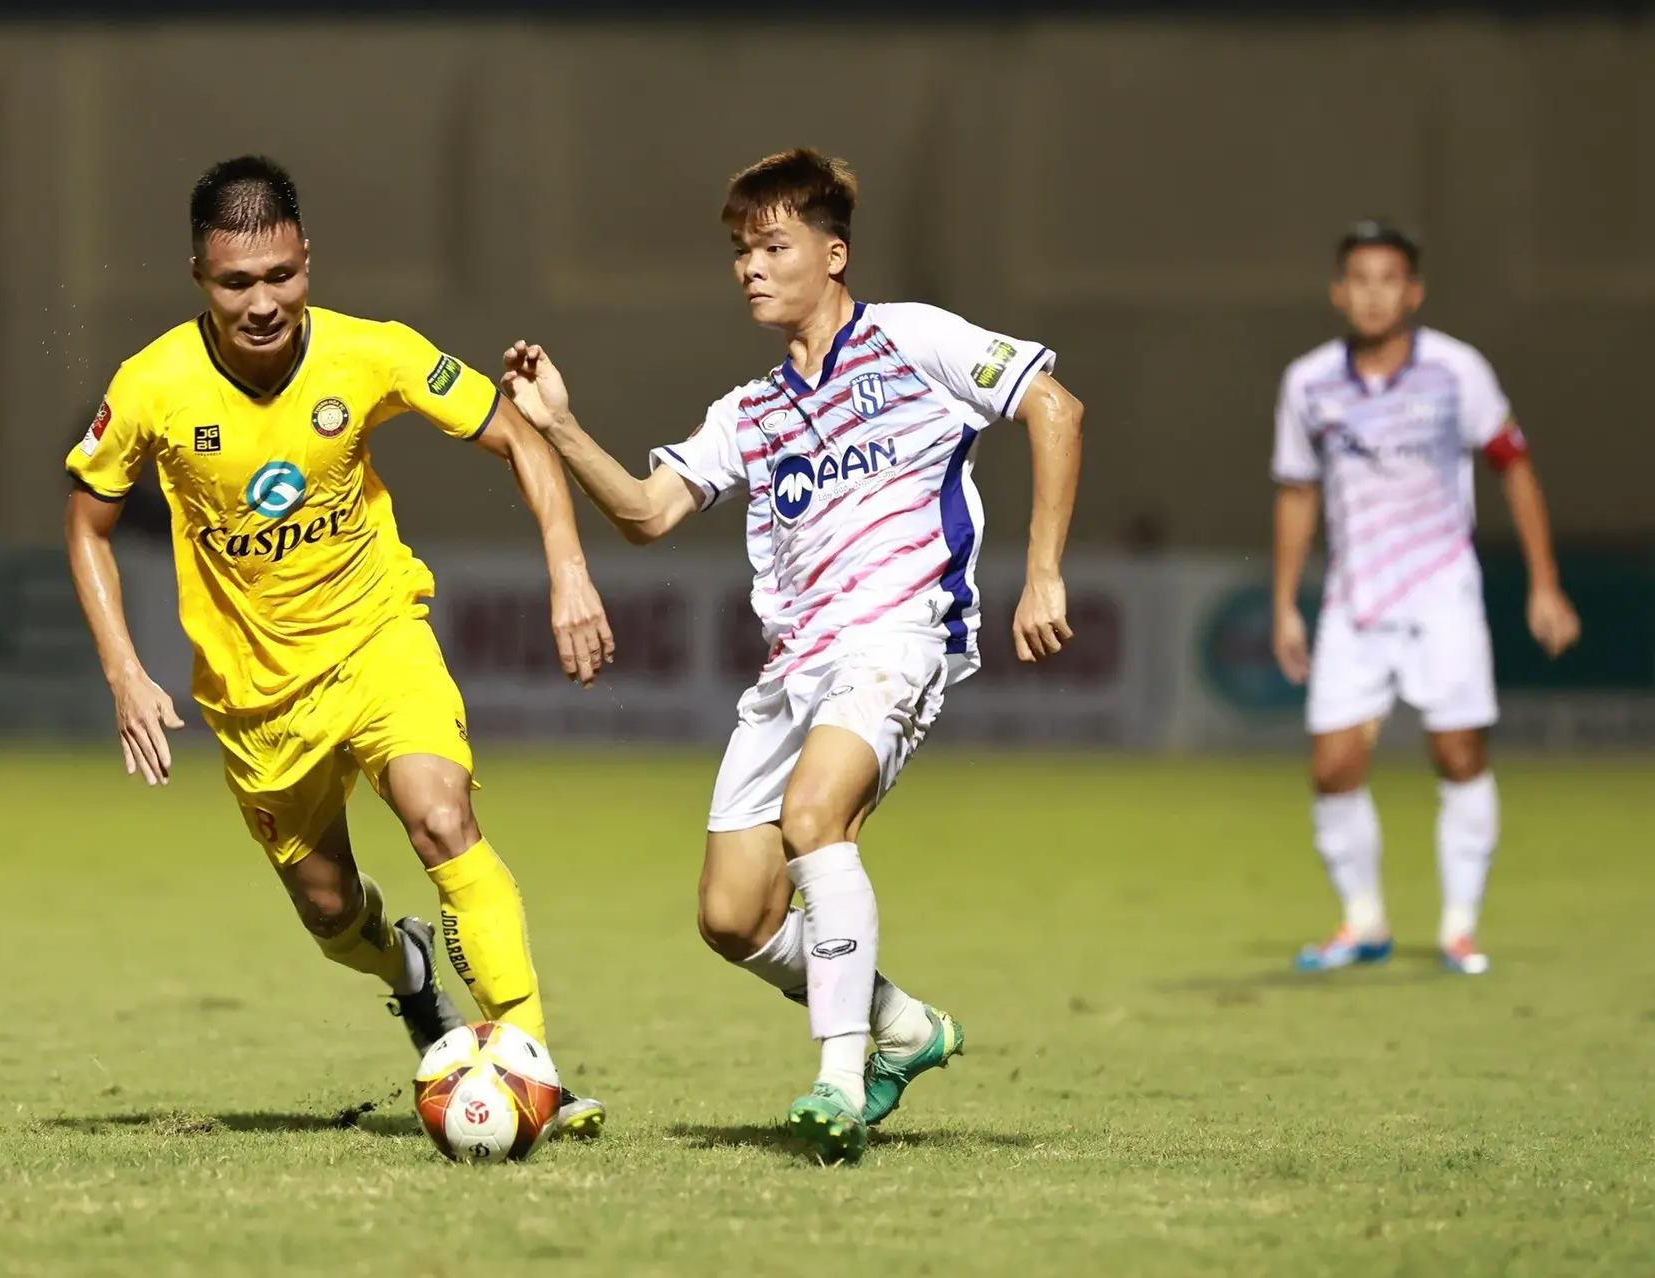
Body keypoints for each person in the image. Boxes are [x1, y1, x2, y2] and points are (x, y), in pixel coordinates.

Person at [498, 148, 1084, 1163]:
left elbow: (1054, 407)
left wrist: (1043, 574)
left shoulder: (910, 340)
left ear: (834, 251)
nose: (751, 268)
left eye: (773, 246)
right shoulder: (753, 411)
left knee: (819, 817)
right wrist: (561, 426)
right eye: (739, 250)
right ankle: (903, 1028)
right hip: (792, 671)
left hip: (900, 639)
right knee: (731, 916)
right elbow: (645, 513)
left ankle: (839, 1082)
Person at [63, 155, 613, 1134]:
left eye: (281, 275)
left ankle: (534, 1074)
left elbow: (520, 434)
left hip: (377, 642)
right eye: (237, 282)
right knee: (328, 915)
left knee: (441, 817)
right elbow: (87, 520)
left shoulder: (373, 353)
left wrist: (568, 568)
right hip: (256, 701)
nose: (264, 301)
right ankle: (406, 970)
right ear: (200, 277)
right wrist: (124, 671)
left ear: (307, 260)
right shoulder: (152, 386)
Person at [1271, 220, 1581, 977]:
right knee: (1333, 767)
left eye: (1390, 280)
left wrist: (1544, 582)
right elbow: (1297, 493)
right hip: (1355, 601)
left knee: (1459, 753)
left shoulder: (1458, 370)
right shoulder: (1308, 381)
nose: (1375, 295)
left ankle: (1459, 926)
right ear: (1340, 293)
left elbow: (1514, 464)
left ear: (1413, 291)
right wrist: (1285, 601)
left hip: (1445, 595)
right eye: (1360, 281)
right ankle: (1364, 922)